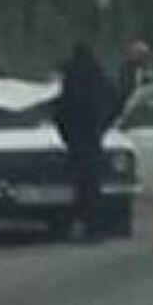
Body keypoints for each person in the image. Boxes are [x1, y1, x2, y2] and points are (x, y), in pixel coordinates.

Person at [54, 42, 113, 241]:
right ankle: (94, 227)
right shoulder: (97, 75)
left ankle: (79, 224)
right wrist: (104, 124)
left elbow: (60, 109)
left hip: (76, 139)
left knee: (79, 185)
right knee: (93, 184)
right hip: (92, 137)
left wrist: (65, 134)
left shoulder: (70, 77)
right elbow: (112, 98)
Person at [115, 38, 153, 109]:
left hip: (142, 99)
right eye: (138, 52)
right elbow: (124, 86)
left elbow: (149, 82)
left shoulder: (145, 66)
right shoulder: (126, 67)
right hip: (129, 99)